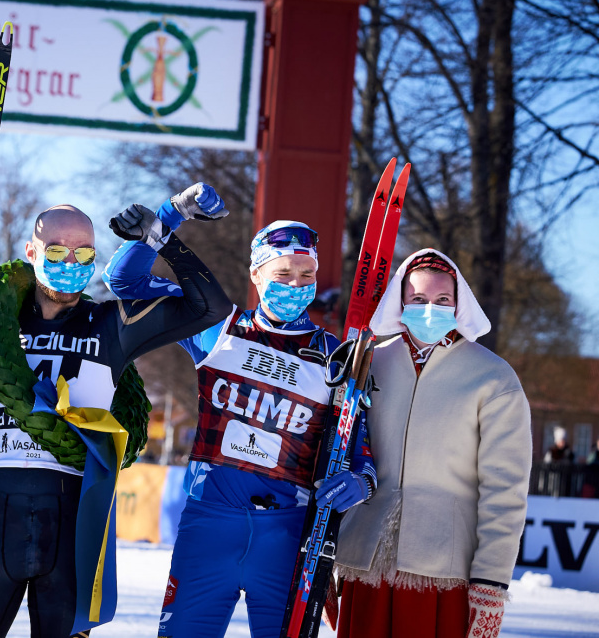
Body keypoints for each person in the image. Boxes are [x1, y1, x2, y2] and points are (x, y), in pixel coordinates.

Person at [0, 194, 233, 637]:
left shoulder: (112, 322)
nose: (71, 260)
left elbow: (209, 308)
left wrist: (162, 238)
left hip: (75, 512)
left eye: (84, 252)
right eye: (57, 250)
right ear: (31, 252)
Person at [104, 189, 376, 638]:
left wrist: (362, 481)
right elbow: (125, 281)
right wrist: (172, 214)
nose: (295, 285)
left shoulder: (338, 357)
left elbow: (362, 451)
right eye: (283, 273)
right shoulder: (217, 327)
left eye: (306, 275)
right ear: (256, 274)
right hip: (210, 523)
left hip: (288, 536)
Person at [334, 249, 532, 638]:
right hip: (365, 562)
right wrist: (329, 553)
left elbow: (505, 489)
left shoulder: (493, 377)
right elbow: (339, 455)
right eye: (419, 299)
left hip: (443, 573)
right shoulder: (367, 364)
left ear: (459, 304)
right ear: (401, 301)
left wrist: (491, 582)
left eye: (443, 300)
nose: (430, 309)